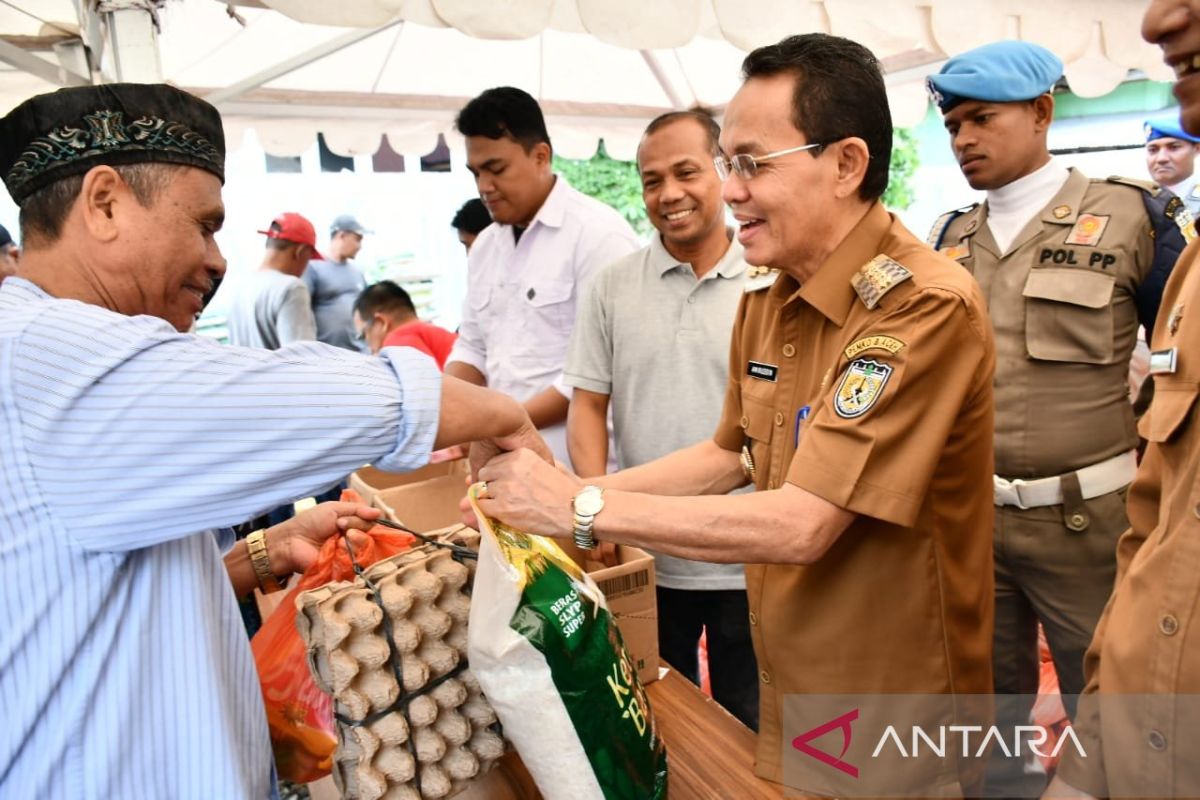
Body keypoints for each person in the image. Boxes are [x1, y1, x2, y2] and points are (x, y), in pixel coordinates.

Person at [471, 34, 995, 796]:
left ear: (846, 163)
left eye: (751, 163)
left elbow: (804, 523)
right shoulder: (773, 296)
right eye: (728, 163)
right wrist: (564, 502)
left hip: (889, 692)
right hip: (800, 668)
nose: (730, 189)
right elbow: (728, 457)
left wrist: (582, 507)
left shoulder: (922, 307)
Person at [0, 82, 549, 799]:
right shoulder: (53, 361)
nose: (219, 259)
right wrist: (502, 416)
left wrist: (258, 553)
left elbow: (94, 595)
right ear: (104, 203)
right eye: (202, 225)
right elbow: (332, 396)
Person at [926, 40, 1188, 797]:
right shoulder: (949, 239)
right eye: (952, 126)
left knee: (1114, 711)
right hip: (977, 526)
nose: (965, 138)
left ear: (1042, 112)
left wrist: (1154, 462)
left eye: (982, 118)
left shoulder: (1132, 215)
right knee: (989, 717)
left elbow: (1183, 359)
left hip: (1093, 525)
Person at [1044, 4, 1200, 797]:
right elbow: (1159, 526)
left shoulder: (1147, 225)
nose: (1155, 19)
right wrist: (1091, 751)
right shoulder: (1196, 268)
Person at [563, 109, 758, 729]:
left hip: (749, 552)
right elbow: (588, 405)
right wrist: (599, 515)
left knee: (749, 722)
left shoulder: (769, 281)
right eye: (652, 181)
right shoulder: (611, 286)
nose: (668, 194)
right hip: (644, 550)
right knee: (658, 716)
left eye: (686, 172)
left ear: (723, 172)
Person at [444, 86, 641, 467]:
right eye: (476, 172)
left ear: (541, 156)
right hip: (500, 461)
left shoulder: (599, 235)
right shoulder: (485, 245)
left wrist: (495, 423)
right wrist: (447, 406)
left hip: (576, 469)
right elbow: (472, 347)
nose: (484, 186)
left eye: (496, 169)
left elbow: (603, 370)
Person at [226, 212, 320, 350]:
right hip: (279, 373)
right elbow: (302, 357)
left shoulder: (239, 286)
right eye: (309, 257)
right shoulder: (292, 288)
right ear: (300, 251)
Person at [302, 213, 370, 351]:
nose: (360, 246)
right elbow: (301, 312)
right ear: (342, 236)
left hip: (359, 353)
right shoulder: (314, 268)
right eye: (358, 239)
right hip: (326, 355)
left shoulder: (358, 272)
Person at [353, 279, 457, 367]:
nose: (369, 348)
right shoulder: (434, 331)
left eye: (363, 335)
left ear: (381, 321)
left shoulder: (398, 343)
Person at [1145, 112, 1200, 213]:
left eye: (1173, 147)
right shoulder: (1138, 200)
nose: (1161, 158)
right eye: (1153, 150)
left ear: (1197, 149)